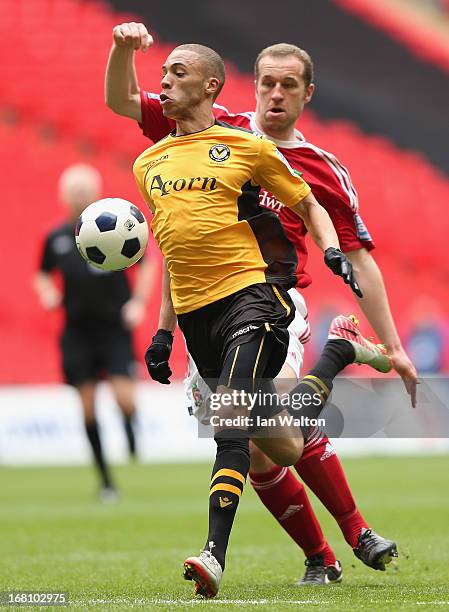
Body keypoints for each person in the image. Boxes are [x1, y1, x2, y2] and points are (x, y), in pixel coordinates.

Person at [105, 24, 418, 587]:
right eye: (267, 83)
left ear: (307, 94)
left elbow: (359, 257)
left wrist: (393, 344)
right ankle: (322, 554)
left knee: (238, 418)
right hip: (204, 308)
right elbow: (126, 108)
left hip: (272, 302)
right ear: (247, 87)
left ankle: (343, 535)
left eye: (288, 85)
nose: (276, 94)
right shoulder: (209, 129)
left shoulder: (319, 167)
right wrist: (164, 328)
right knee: (269, 449)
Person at [34, 163, 154, 502]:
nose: (79, 197)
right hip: (76, 332)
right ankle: (105, 481)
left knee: (124, 399)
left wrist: (138, 302)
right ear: (63, 197)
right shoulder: (55, 238)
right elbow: (41, 273)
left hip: (114, 328)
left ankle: (131, 425)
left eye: (84, 192)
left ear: (96, 193)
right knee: (87, 408)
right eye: (74, 192)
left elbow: (147, 262)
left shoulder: (116, 227)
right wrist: (47, 292)